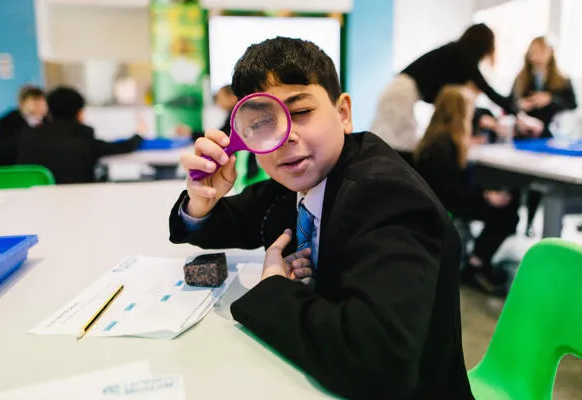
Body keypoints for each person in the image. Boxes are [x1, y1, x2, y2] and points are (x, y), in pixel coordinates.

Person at [169, 37, 473, 399]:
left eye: (300, 112)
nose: (285, 137)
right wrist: (201, 201)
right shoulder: (298, 179)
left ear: (343, 113)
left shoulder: (389, 197)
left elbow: (378, 365)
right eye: (264, 121)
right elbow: (233, 219)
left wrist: (272, 288)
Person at [371, 23, 543, 153]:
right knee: (392, 144)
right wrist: (519, 115)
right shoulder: (462, 54)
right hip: (401, 93)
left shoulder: (455, 55)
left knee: (398, 141)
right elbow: (488, 90)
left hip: (401, 90)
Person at [414, 85, 519, 295]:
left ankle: (476, 260)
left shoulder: (437, 138)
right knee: (507, 213)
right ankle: (477, 264)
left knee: (502, 202)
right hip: (446, 202)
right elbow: (452, 190)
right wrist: (485, 196)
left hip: (440, 198)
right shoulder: (444, 144)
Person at [509, 36, 578, 236]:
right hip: (522, 133)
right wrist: (521, 106)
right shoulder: (522, 77)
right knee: (516, 178)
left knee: (538, 182)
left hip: (545, 134)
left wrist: (549, 99)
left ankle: (530, 221)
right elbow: (509, 102)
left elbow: (572, 103)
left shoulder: (561, 79)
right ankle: (513, 219)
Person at [16, 87, 143, 184]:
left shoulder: (28, 136)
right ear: (79, 112)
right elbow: (120, 147)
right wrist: (139, 135)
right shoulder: (83, 136)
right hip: (81, 203)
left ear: (49, 110)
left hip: (37, 205)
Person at [0, 85, 48, 166]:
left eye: (42, 102)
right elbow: (3, 149)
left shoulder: (49, 121)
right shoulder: (7, 121)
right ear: (21, 104)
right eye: (35, 102)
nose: (40, 106)